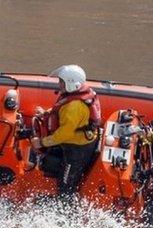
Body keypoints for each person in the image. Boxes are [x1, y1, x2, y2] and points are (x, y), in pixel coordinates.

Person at [31, 65, 102, 195]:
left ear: (70, 83)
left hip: (77, 149)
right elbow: (60, 113)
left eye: (61, 81)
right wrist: (46, 114)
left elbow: (63, 134)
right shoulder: (75, 97)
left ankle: (66, 203)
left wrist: (41, 142)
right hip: (78, 139)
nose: (59, 84)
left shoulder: (74, 107)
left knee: (66, 182)